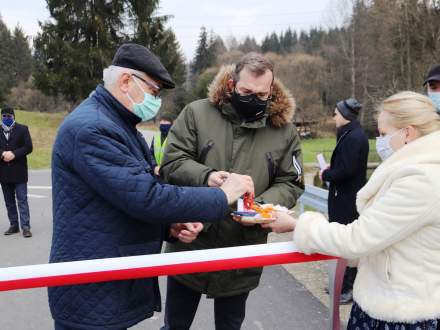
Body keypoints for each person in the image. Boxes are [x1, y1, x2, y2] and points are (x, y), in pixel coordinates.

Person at [49, 43, 254, 330]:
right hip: (91, 287)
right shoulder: (92, 128)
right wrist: (222, 195)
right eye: (153, 91)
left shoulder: (116, 122)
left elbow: (122, 196)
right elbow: (146, 196)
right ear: (125, 81)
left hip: (105, 280)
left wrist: (168, 226)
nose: (155, 101)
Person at [264, 91, 440, 329]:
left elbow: (358, 239)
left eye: (384, 134)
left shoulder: (420, 180)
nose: (380, 141)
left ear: (408, 132)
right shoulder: (415, 170)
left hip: (401, 312)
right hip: (388, 300)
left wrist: (298, 225)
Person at [159, 52, 304, 330]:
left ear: (271, 91)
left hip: (242, 249)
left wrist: (259, 207)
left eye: (261, 94)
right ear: (231, 85)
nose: (253, 98)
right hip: (191, 240)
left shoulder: (284, 132)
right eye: (246, 91)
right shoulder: (196, 113)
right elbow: (172, 163)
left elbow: (292, 182)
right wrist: (209, 177)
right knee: (175, 326)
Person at [319, 98, 369, 304]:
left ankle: (347, 289)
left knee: (346, 243)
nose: (334, 116)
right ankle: (341, 284)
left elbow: (347, 170)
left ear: (346, 116)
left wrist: (326, 174)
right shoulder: (351, 134)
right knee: (341, 241)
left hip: (347, 199)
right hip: (345, 197)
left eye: (336, 113)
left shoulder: (353, 137)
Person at [0, 106, 33, 238]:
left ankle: (26, 227)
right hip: (3, 172)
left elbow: (28, 147)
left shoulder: (23, 129)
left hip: (19, 171)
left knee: (22, 199)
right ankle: (14, 225)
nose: (6, 118)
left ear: (14, 117)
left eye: (9, 116)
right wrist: (2, 154)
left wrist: (14, 154)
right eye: (4, 116)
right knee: (9, 201)